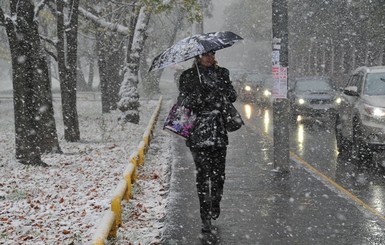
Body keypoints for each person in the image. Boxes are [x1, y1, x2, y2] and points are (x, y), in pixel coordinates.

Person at [177, 51, 237, 233]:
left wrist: (222, 91)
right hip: (198, 133)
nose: (209, 58)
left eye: (212, 54)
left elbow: (232, 96)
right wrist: (199, 95)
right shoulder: (188, 76)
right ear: (198, 57)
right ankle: (205, 217)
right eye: (205, 55)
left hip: (218, 132)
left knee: (219, 175)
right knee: (203, 177)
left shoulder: (222, 73)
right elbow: (183, 101)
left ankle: (215, 203)